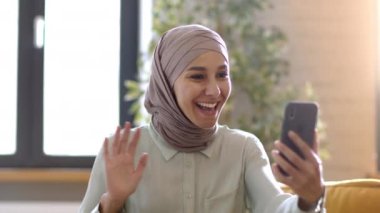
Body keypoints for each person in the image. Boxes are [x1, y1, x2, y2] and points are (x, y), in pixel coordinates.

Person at [79, 24, 325, 213]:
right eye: (197, 77)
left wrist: (308, 200)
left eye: (222, 74)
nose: (215, 90)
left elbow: (276, 207)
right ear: (166, 84)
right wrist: (113, 201)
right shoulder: (121, 151)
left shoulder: (243, 149)